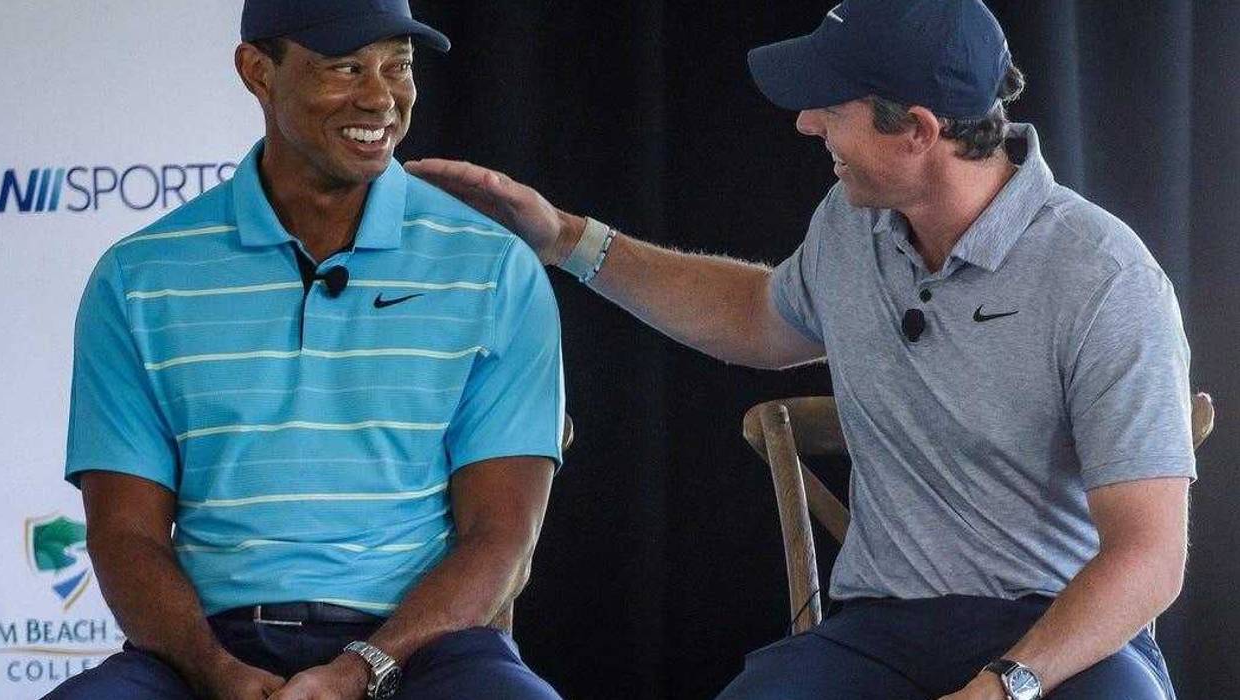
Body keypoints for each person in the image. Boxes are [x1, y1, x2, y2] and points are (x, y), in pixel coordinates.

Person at [405, 1, 1194, 698]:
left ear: (917, 129)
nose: (805, 123)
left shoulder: (1103, 277)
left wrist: (1004, 686)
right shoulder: (852, 223)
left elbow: (1149, 556)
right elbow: (757, 314)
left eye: (830, 106)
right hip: (882, 634)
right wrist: (568, 240)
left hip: (1063, 640)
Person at [50, 1, 565, 699]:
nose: (380, 97)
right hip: (203, 649)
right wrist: (214, 672)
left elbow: (502, 534)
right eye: (345, 66)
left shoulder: (493, 267)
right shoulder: (139, 277)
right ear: (258, 72)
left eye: (398, 66)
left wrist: (362, 669)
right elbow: (125, 536)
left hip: (423, 650)